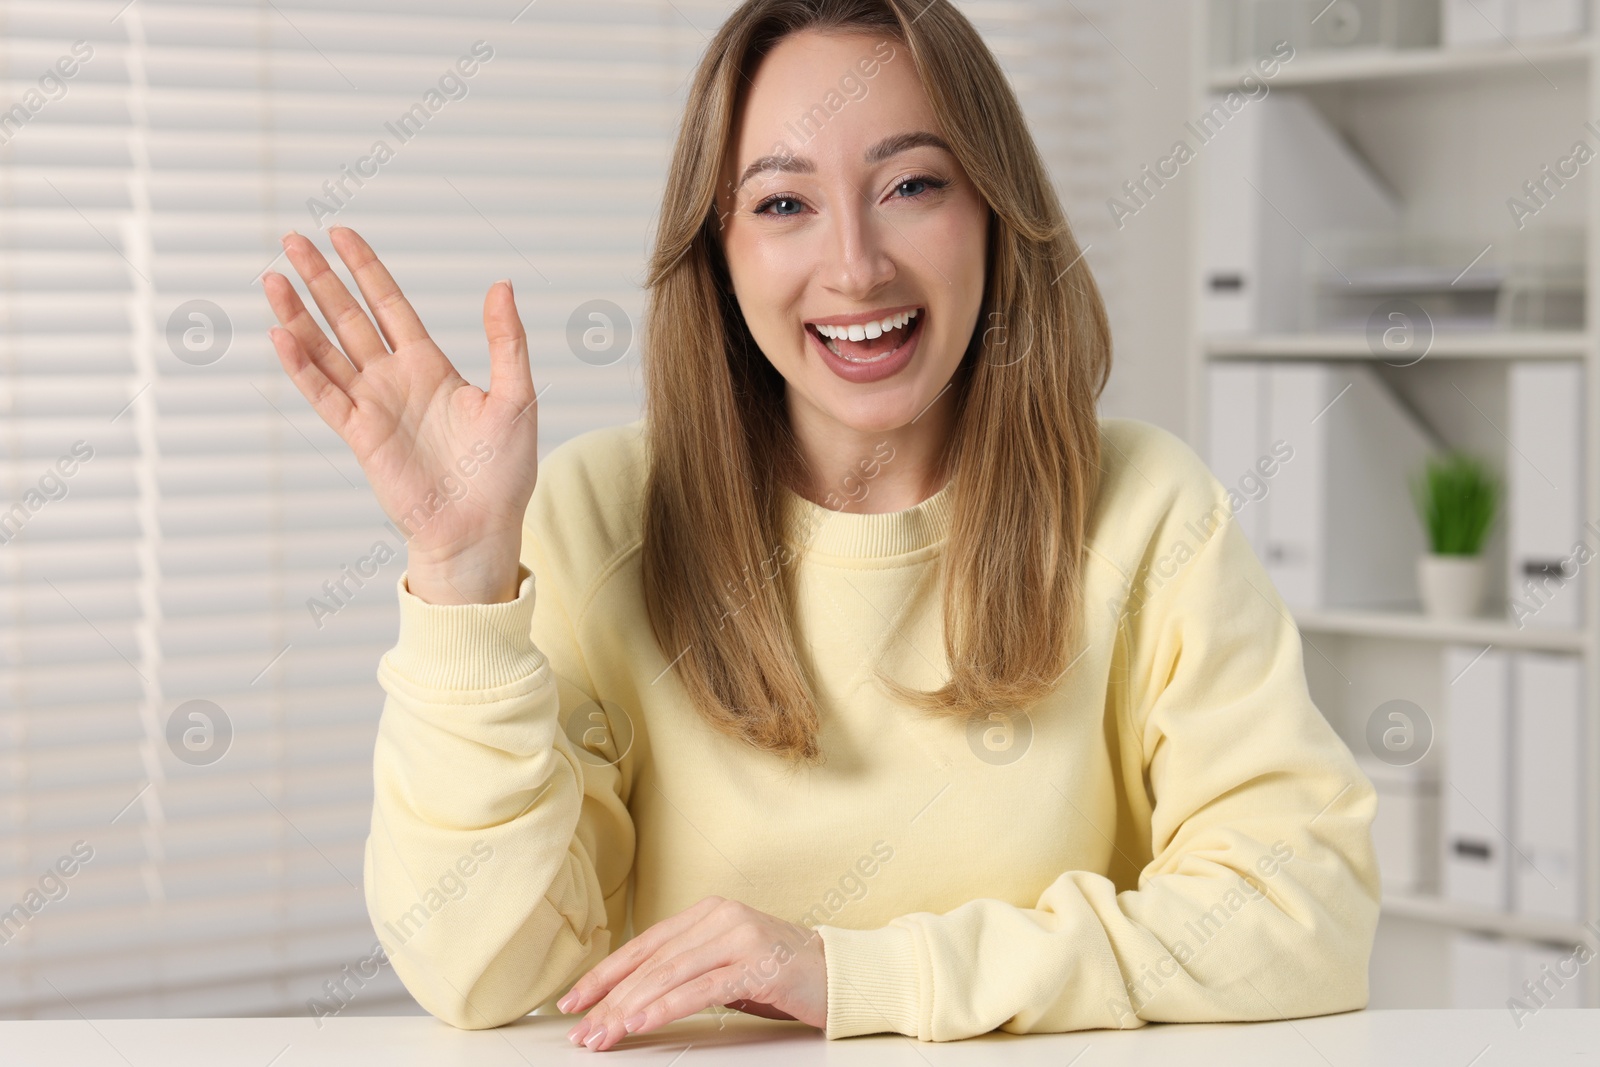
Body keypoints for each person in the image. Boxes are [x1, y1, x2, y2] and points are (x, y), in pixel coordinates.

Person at [259, 0, 1379, 1050]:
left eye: (912, 186)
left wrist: (856, 973)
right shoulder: (599, 515)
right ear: (719, 250)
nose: (855, 266)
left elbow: (1304, 908)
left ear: (994, 210)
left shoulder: (1146, 511)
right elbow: (480, 970)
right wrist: (459, 574)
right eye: (783, 203)